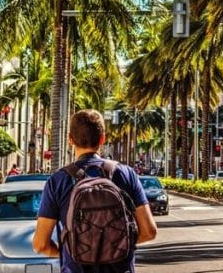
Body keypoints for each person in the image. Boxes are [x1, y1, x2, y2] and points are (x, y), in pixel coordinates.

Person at [33, 109, 156, 273]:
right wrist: (116, 247)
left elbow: (40, 244)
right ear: (102, 139)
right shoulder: (126, 174)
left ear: (70, 140)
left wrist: (69, 251)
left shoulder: (58, 181)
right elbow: (149, 232)